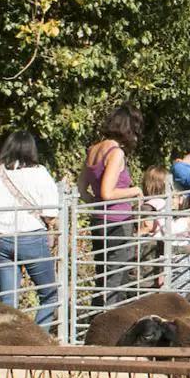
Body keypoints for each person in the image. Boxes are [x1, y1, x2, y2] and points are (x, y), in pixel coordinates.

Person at [0, 131, 61, 326]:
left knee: (8, 303)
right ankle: (38, 342)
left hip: (1, 239)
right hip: (32, 239)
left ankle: (11, 343)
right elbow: (51, 212)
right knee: (50, 294)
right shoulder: (40, 173)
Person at [79, 104, 144, 307]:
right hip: (117, 222)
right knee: (115, 278)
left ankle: (99, 319)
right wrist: (135, 191)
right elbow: (108, 193)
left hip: (99, 221)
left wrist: (95, 204)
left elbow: (81, 188)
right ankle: (106, 325)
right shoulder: (115, 153)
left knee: (103, 274)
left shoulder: (93, 150)